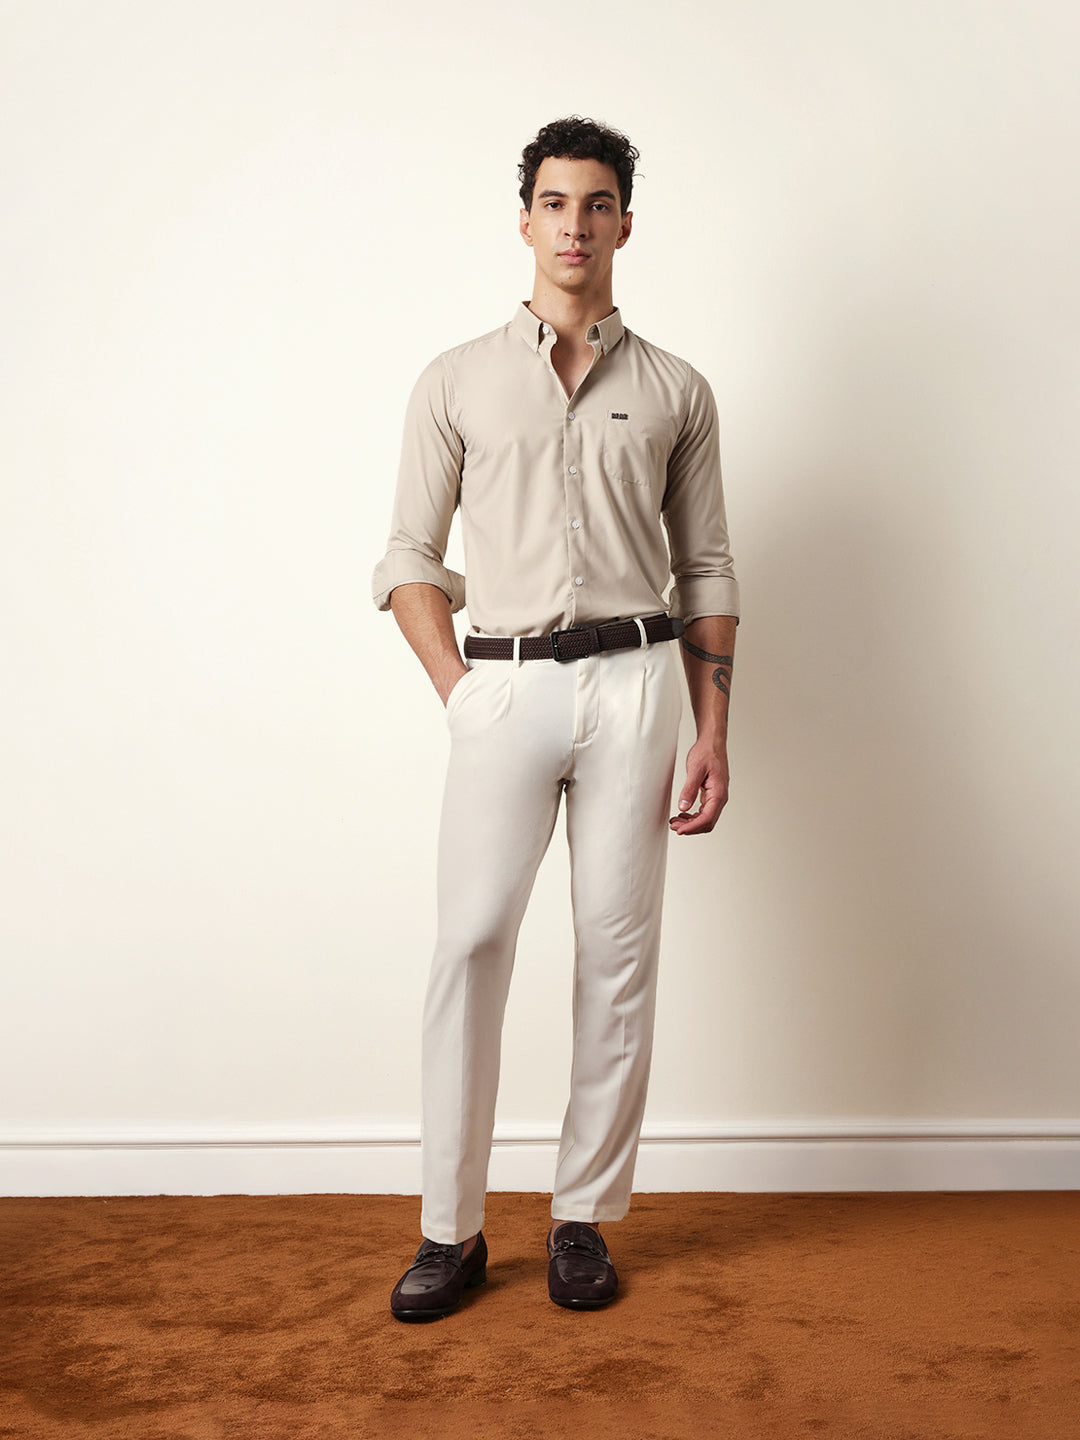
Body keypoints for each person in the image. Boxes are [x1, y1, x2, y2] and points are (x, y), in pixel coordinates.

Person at [372, 116, 739, 1321]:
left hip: (636, 684)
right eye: (554, 202)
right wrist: (460, 687)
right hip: (505, 684)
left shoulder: (678, 390)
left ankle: (582, 1217)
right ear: (523, 219)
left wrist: (711, 730)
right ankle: (450, 1231)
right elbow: (407, 555)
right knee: (471, 944)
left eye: (597, 204)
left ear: (626, 222)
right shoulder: (456, 380)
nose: (574, 225)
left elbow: (708, 569)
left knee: (617, 955)